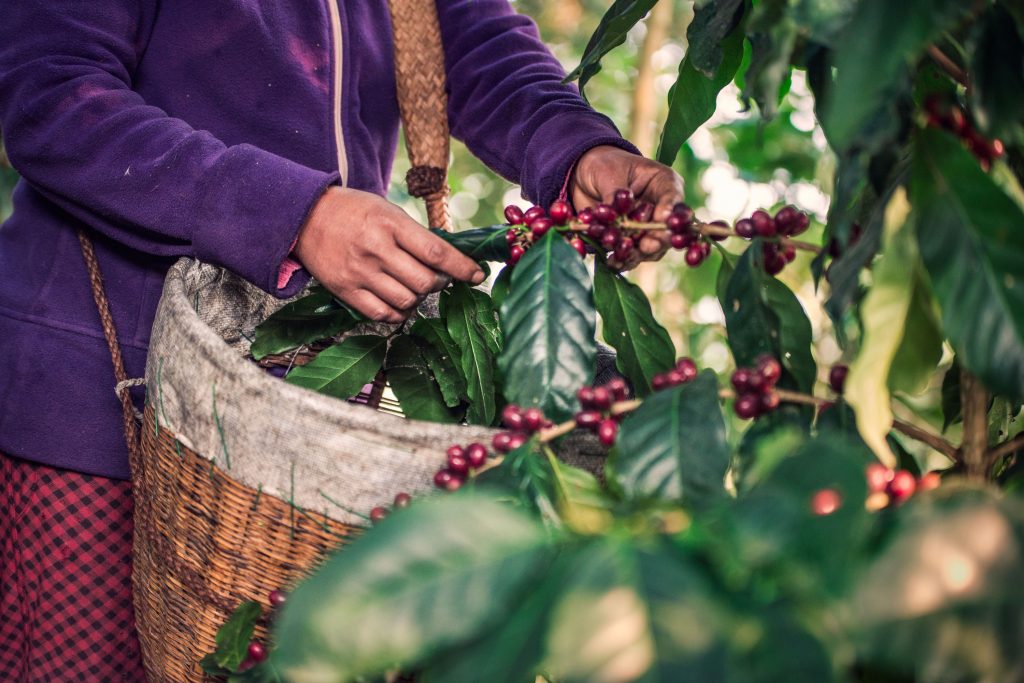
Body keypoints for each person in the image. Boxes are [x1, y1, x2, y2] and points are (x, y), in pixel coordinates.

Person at [0, 1, 684, 679]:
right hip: (97, 393)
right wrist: (294, 213)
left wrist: (581, 150)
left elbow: (480, 51)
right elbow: (53, 97)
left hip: (302, 434)